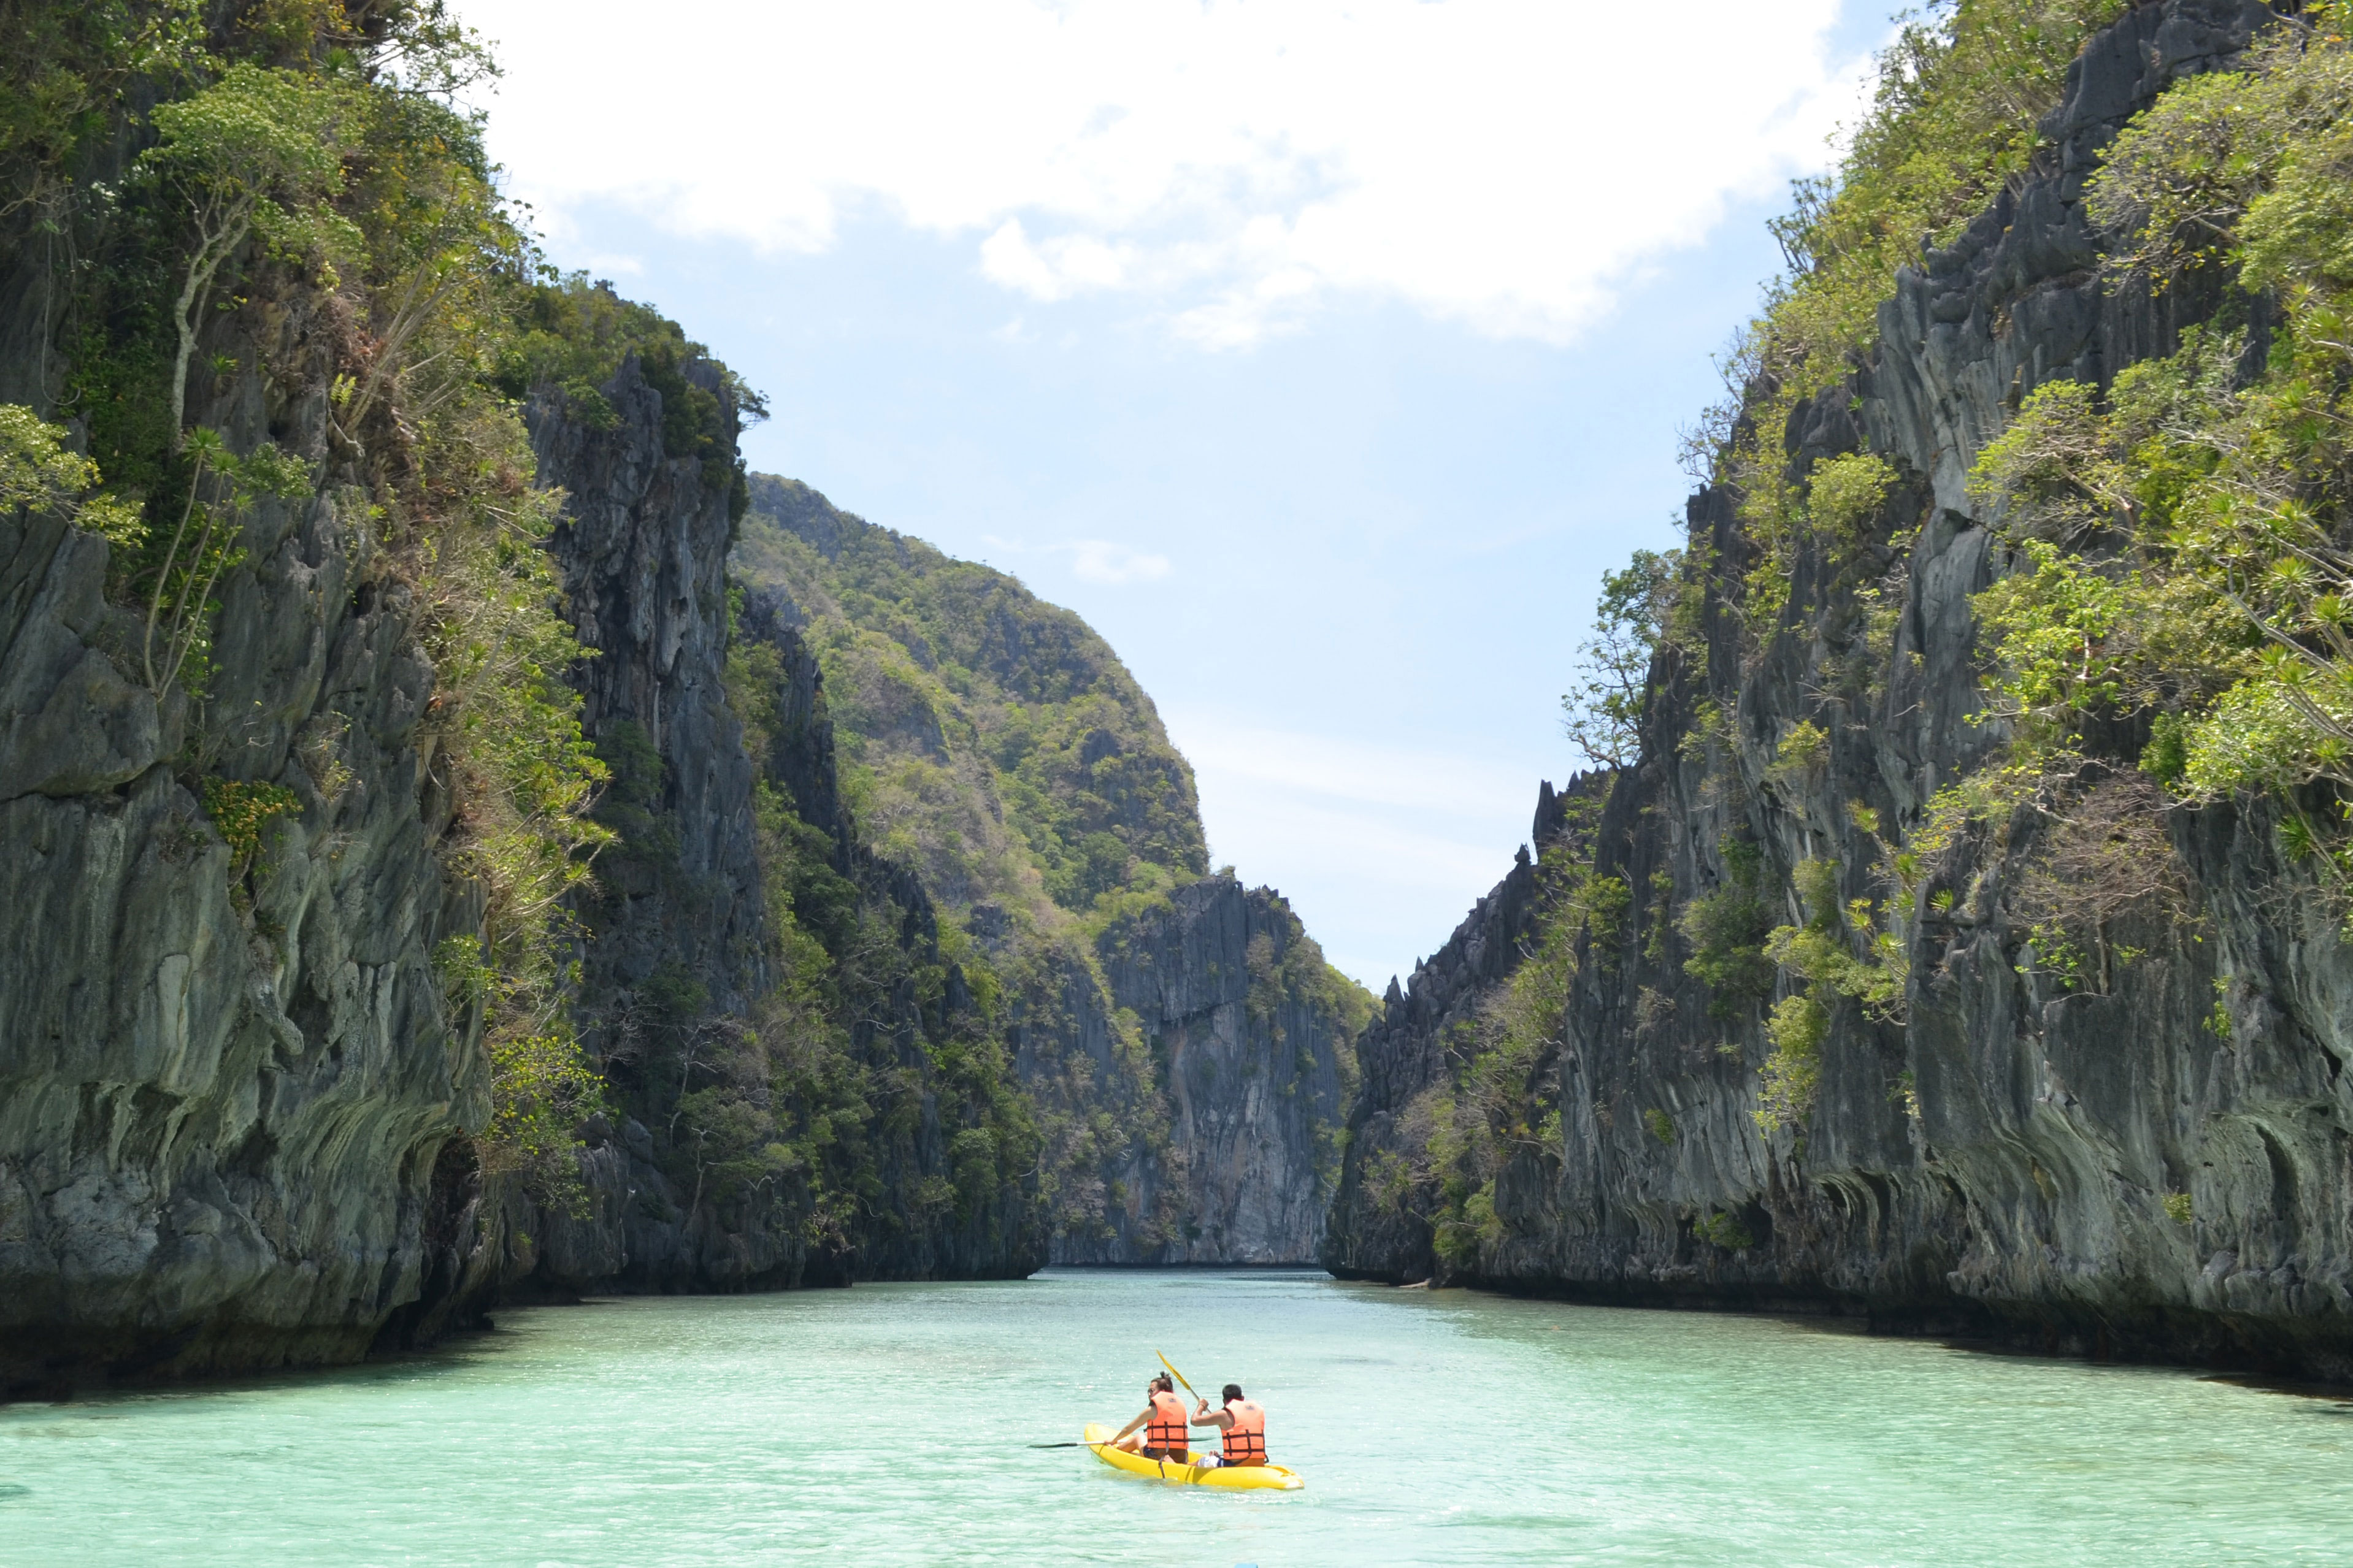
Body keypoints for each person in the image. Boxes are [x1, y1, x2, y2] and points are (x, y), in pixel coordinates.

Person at [1109, 1372, 1192, 1460]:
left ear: (1162, 1391)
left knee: (1139, 1437)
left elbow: (1128, 1429)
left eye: (1152, 1391)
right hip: (1182, 1458)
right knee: (1145, 1437)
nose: (1149, 1394)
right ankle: (1125, 1452)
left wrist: (1114, 1440)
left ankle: (1116, 1452)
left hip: (1158, 1456)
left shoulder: (1152, 1410)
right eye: (1148, 1391)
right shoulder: (1180, 1405)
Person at [1189, 1383, 1269, 1469]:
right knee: (1216, 1458)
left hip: (1237, 1464)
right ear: (1242, 1398)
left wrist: (1202, 1405)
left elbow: (1194, 1421)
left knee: (1203, 1461)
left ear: (1224, 1401)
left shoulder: (1224, 1414)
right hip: (1260, 1463)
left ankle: (1184, 1466)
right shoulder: (1257, 1411)